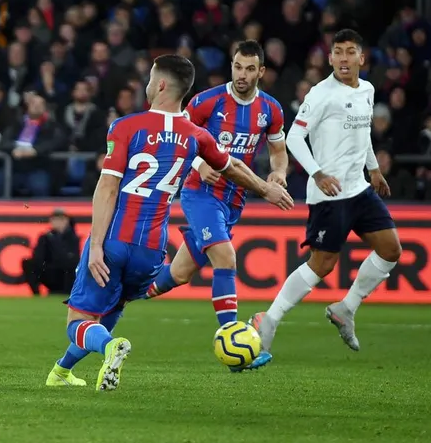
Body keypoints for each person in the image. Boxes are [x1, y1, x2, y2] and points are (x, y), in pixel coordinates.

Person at [44, 54, 294, 391]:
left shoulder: (126, 126)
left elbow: (107, 188)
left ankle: (109, 347)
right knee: (114, 305)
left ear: (160, 84)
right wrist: (265, 188)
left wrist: (97, 245)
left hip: (117, 238)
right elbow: (231, 167)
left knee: (78, 321)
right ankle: (61, 372)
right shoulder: (195, 135)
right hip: (151, 252)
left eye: (150, 77)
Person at [251, 29, 400, 361]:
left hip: (358, 189)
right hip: (328, 193)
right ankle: (269, 320)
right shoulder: (321, 94)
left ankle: (346, 308)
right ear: (329, 58)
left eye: (350, 52)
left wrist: (373, 169)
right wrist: (317, 173)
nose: (343, 59)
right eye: (337, 52)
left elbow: (362, 136)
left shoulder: (367, 90)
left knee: (391, 250)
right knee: (322, 265)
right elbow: (294, 139)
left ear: (362, 58)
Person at [141, 40, 290, 370]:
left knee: (178, 275)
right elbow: (176, 137)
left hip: (234, 200)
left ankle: (121, 295)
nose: (242, 74)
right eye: (238, 66)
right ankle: (234, 345)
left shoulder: (271, 110)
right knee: (225, 257)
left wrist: (278, 174)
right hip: (200, 194)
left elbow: (279, 153)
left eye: (250, 69)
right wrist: (197, 165)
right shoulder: (207, 101)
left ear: (261, 72)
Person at [22, 208, 80, 296]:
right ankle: (36, 294)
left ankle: (68, 292)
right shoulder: (45, 237)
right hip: (51, 270)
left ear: (66, 221)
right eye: (54, 219)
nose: (57, 222)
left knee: (73, 266)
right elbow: (38, 257)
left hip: (66, 273)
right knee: (28, 263)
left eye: (60, 219)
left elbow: (73, 259)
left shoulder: (73, 238)